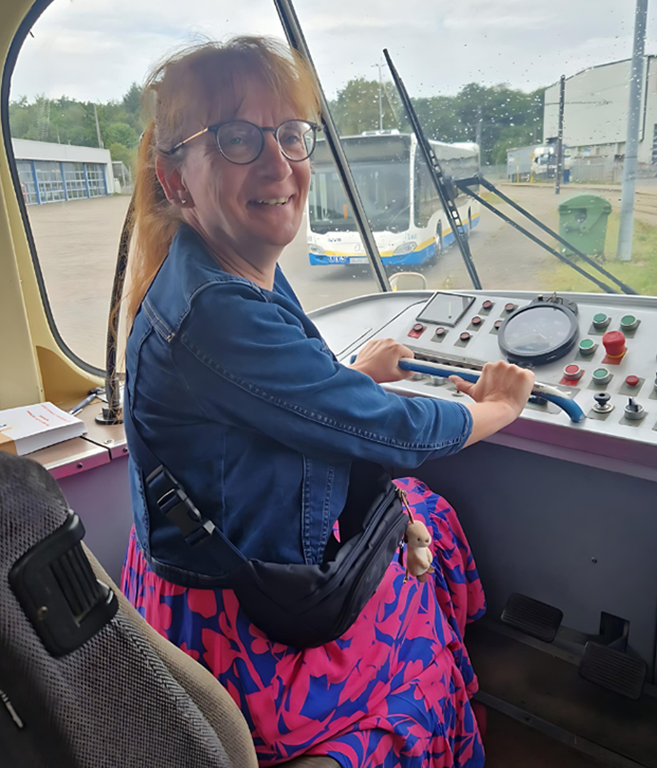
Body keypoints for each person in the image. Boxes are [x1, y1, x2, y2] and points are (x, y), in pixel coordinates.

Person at [118, 36, 534, 767]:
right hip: (244, 623)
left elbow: (275, 392)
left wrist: (355, 371)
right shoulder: (216, 309)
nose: (279, 164)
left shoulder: (224, 268)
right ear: (176, 180)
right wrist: (494, 409)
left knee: (426, 513)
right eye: (237, 139)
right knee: (424, 634)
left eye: (290, 135)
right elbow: (391, 430)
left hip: (202, 575)